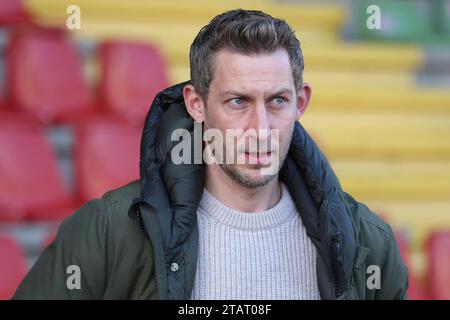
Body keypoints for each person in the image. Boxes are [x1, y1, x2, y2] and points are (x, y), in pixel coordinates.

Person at [13, 9, 408, 300]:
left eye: (277, 101)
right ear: (196, 104)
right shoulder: (108, 232)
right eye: (238, 101)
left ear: (301, 102)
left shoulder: (367, 243)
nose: (260, 127)